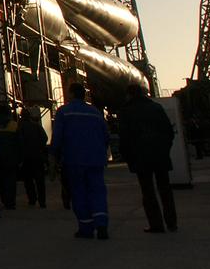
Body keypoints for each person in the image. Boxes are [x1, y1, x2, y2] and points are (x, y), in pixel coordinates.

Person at [51, 81, 111, 240]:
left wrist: (54, 156)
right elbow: (106, 136)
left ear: (70, 94)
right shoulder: (95, 112)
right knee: (98, 192)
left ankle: (86, 227)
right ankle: (102, 225)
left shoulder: (64, 112)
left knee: (79, 192)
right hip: (96, 160)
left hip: (74, 159)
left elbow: (57, 137)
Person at [118, 84, 178, 233]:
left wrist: (128, 157)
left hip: (141, 157)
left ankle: (156, 224)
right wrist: (164, 150)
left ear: (129, 95)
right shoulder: (156, 108)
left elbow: (124, 137)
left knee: (148, 192)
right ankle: (172, 223)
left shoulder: (127, 111)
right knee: (165, 190)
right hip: (159, 155)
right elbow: (169, 132)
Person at [0, 104, 21, 210]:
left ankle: (3, 199)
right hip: (10, 157)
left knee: (0, 180)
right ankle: (10, 202)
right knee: (10, 180)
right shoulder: (14, 125)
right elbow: (19, 143)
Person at [18, 107, 48, 208]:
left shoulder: (20, 127)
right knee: (40, 180)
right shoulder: (36, 126)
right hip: (37, 156)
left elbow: (19, 142)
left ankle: (32, 199)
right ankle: (42, 201)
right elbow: (45, 138)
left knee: (28, 180)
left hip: (26, 158)